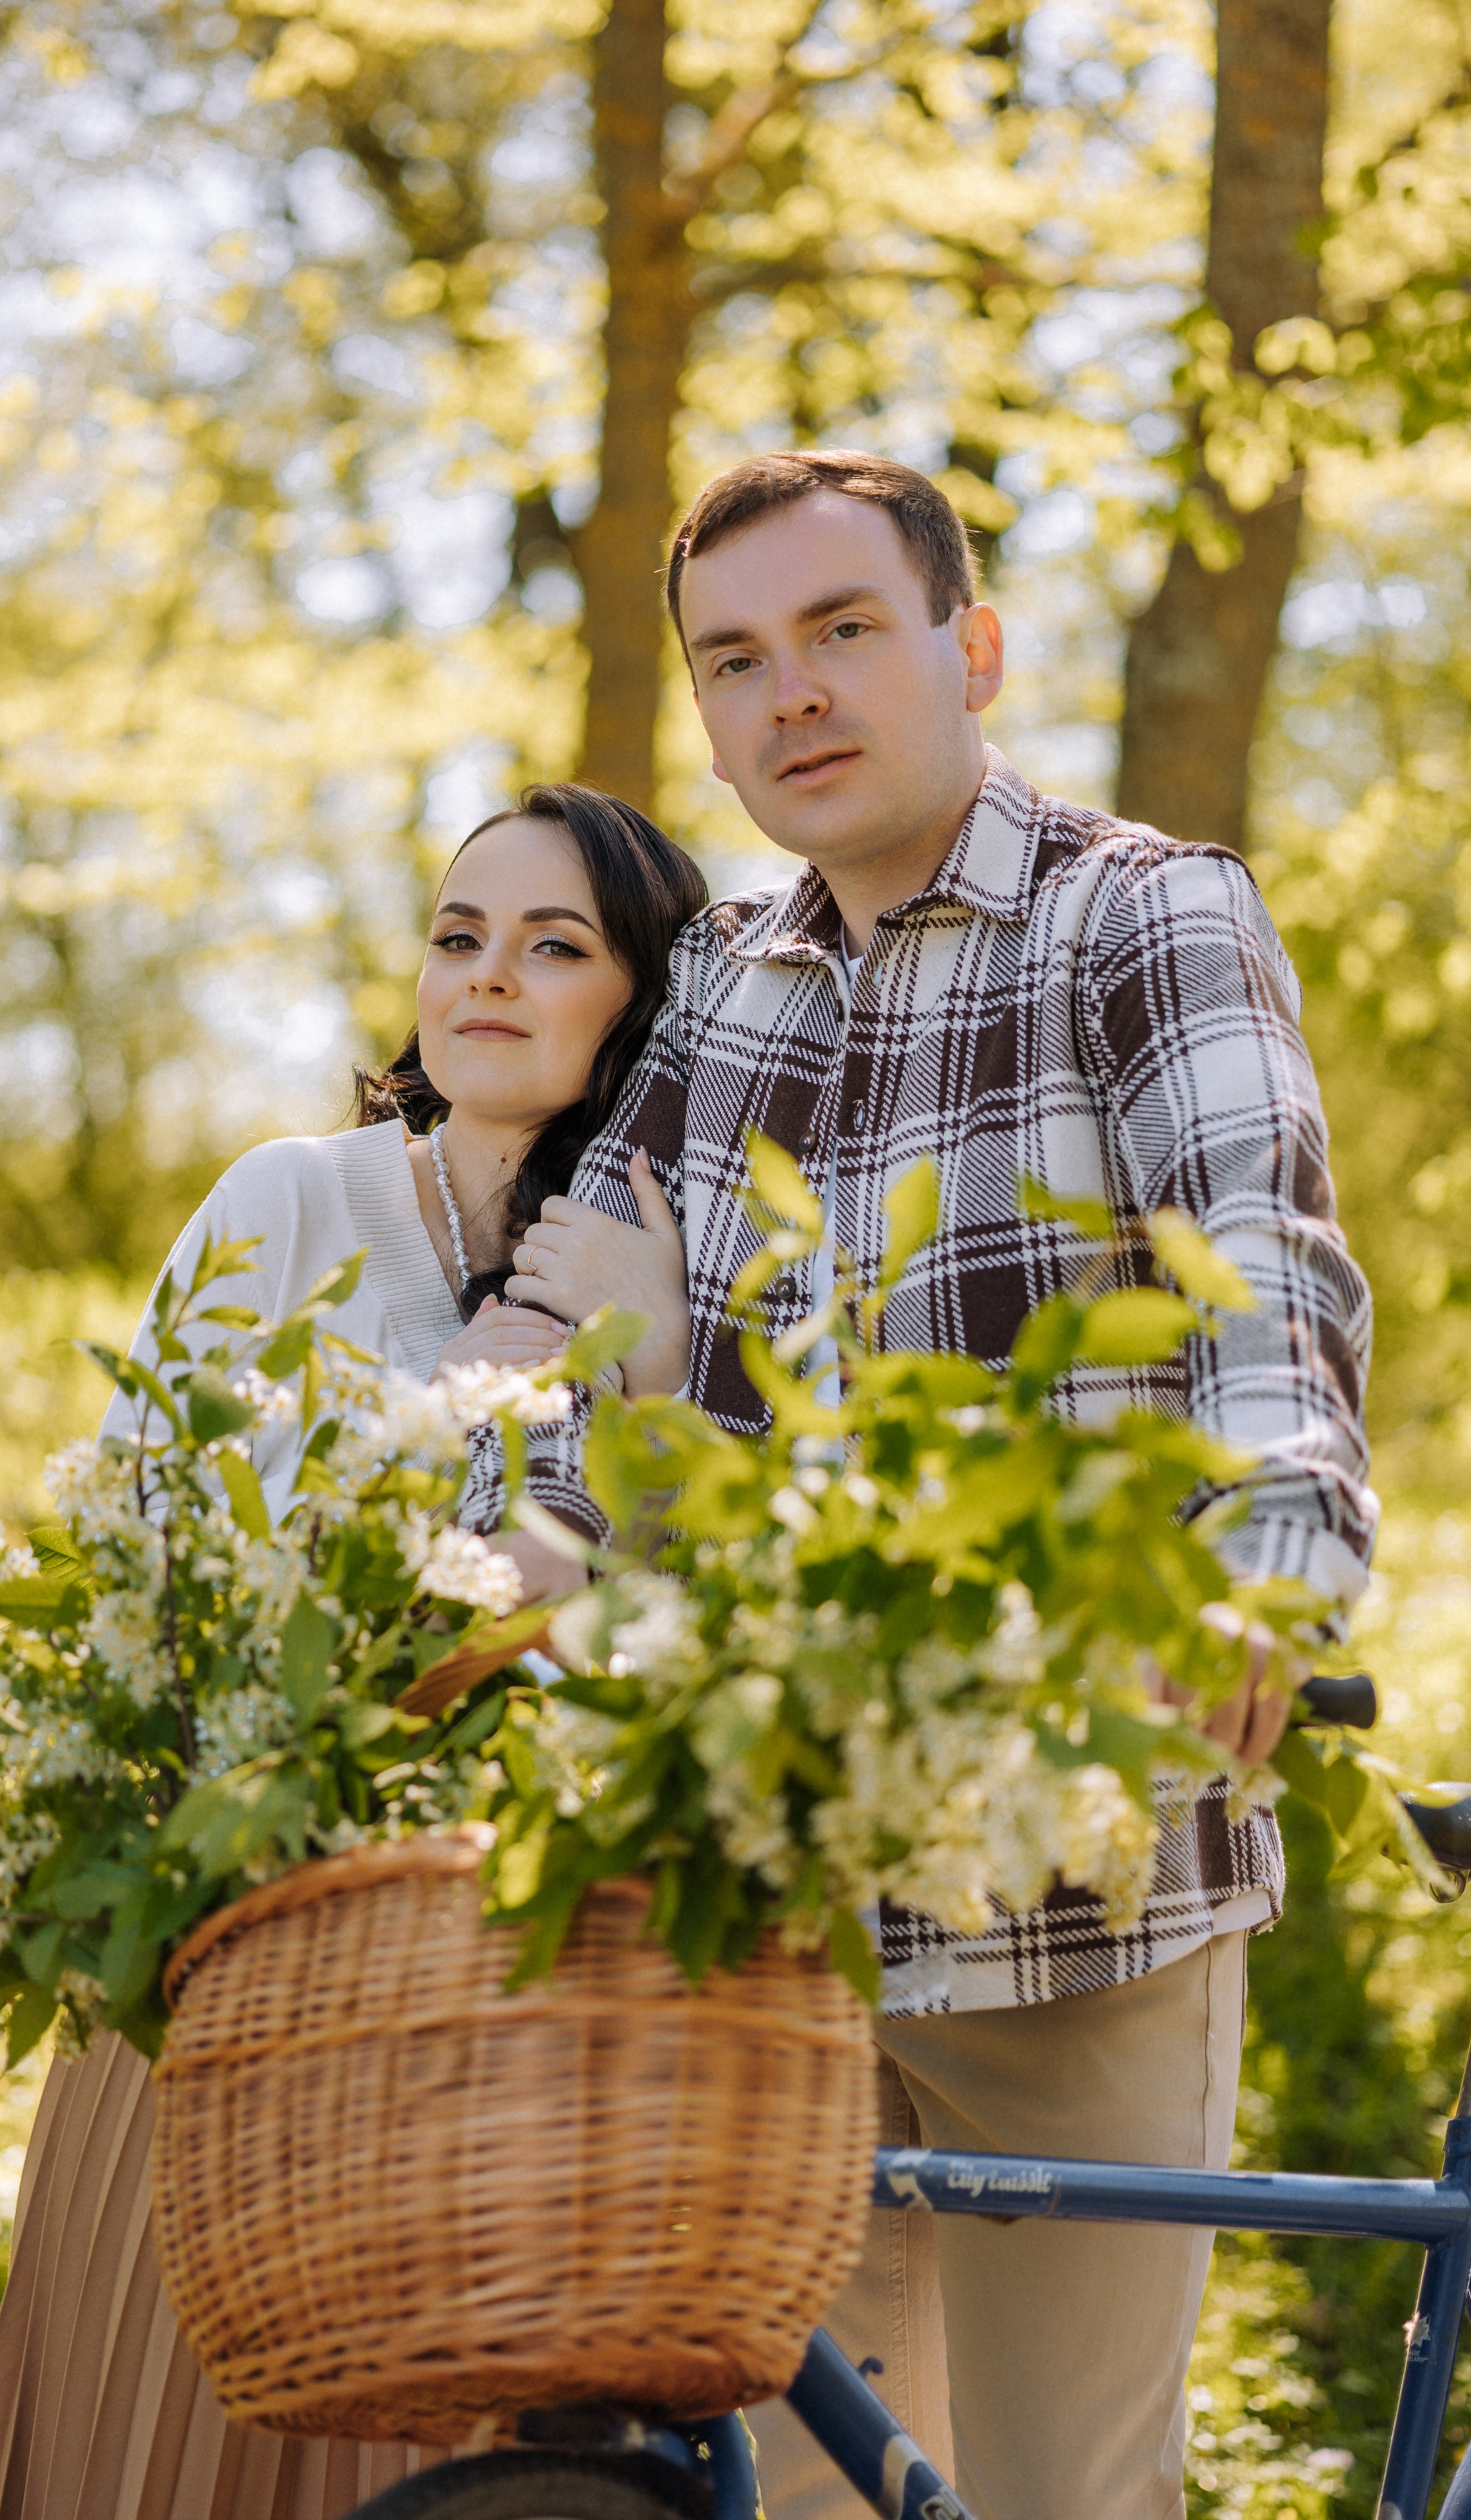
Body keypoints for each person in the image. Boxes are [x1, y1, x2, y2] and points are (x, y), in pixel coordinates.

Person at [470, 452, 1377, 2520]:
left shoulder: (1140, 911)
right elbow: (585, 1337)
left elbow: (1263, 1265)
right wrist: (441, 1594)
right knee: (807, 2502)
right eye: (735, 660)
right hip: (771, 1899)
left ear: (971, 647)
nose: (787, 694)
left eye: (842, 631)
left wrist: (1267, 1567)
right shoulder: (718, 985)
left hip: (1078, 1863)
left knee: (1070, 2497)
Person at [0, 782, 705, 2520]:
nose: (487, 976)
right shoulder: (284, 1200)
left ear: (639, 1004)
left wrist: (655, 1378)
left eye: (555, 945)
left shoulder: (661, 1265)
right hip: (218, 1935)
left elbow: (677, 1631)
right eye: (458, 937)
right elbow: (142, 1549)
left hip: (494, 1985)